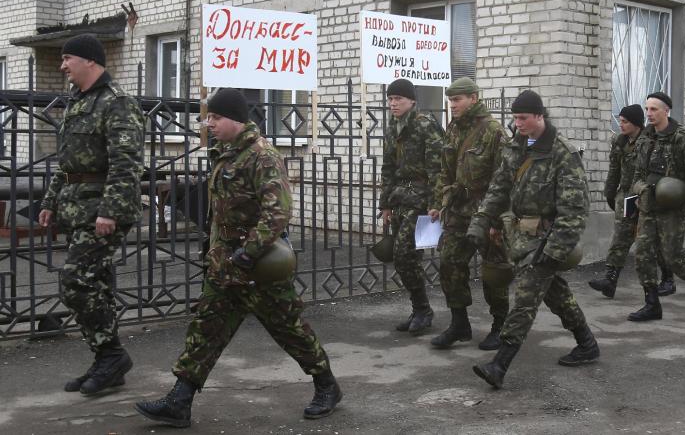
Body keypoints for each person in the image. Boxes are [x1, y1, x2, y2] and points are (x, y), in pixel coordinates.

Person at [134, 89, 341, 427]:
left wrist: (249, 253)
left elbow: (278, 212)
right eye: (208, 118)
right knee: (207, 327)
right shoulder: (225, 154)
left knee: (289, 328)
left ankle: (326, 385)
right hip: (224, 263)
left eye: (215, 118)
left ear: (235, 119)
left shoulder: (263, 156)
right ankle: (179, 400)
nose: (209, 124)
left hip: (257, 265)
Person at [469, 90, 598, 390]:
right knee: (556, 295)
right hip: (521, 239)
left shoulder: (563, 153)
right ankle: (587, 344)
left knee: (525, 299)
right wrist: (481, 221)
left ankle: (499, 364)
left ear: (540, 116)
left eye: (524, 117)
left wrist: (554, 250)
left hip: (546, 241)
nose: (518, 123)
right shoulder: (516, 146)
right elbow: (498, 188)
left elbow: (575, 209)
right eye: (515, 118)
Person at [38, 34, 144, 395]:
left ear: (90, 61)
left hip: (102, 209)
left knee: (74, 280)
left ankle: (111, 354)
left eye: (68, 58)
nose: (62, 65)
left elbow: (126, 164)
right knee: (95, 283)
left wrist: (110, 210)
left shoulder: (117, 103)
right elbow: (67, 162)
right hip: (76, 205)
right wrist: (50, 201)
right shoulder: (78, 102)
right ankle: (107, 361)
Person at [427, 78, 510, 350]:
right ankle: (459, 323)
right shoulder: (453, 129)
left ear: (473, 98)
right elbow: (444, 170)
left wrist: (496, 220)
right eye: (450, 100)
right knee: (450, 262)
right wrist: (439, 202)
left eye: (458, 100)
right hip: (459, 211)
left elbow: (505, 179)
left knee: (492, 270)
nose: (453, 105)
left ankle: (501, 325)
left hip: (486, 212)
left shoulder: (493, 132)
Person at [625, 92, 685, 323]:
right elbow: (637, 173)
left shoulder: (682, 138)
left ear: (666, 111)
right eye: (647, 109)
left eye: (654, 109)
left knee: (673, 258)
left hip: (671, 207)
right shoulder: (645, 137)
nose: (649, 114)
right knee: (643, 255)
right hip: (647, 205)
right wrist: (638, 190)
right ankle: (651, 304)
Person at [379, 78, 444, 335]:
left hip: (422, 201)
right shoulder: (392, 128)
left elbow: (438, 168)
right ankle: (420, 309)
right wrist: (385, 204)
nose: (393, 104)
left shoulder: (425, 126)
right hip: (400, 199)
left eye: (399, 99)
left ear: (412, 101)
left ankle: (423, 310)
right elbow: (387, 168)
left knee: (405, 254)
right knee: (404, 257)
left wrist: (436, 203)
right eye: (391, 99)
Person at [588, 104, 674, 299]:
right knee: (620, 237)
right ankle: (610, 280)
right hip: (625, 196)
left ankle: (668, 279)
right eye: (620, 120)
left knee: (653, 242)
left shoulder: (649, 141)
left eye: (625, 121)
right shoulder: (620, 142)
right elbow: (614, 170)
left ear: (635, 123)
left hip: (645, 196)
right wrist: (610, 193)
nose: (621, 124)